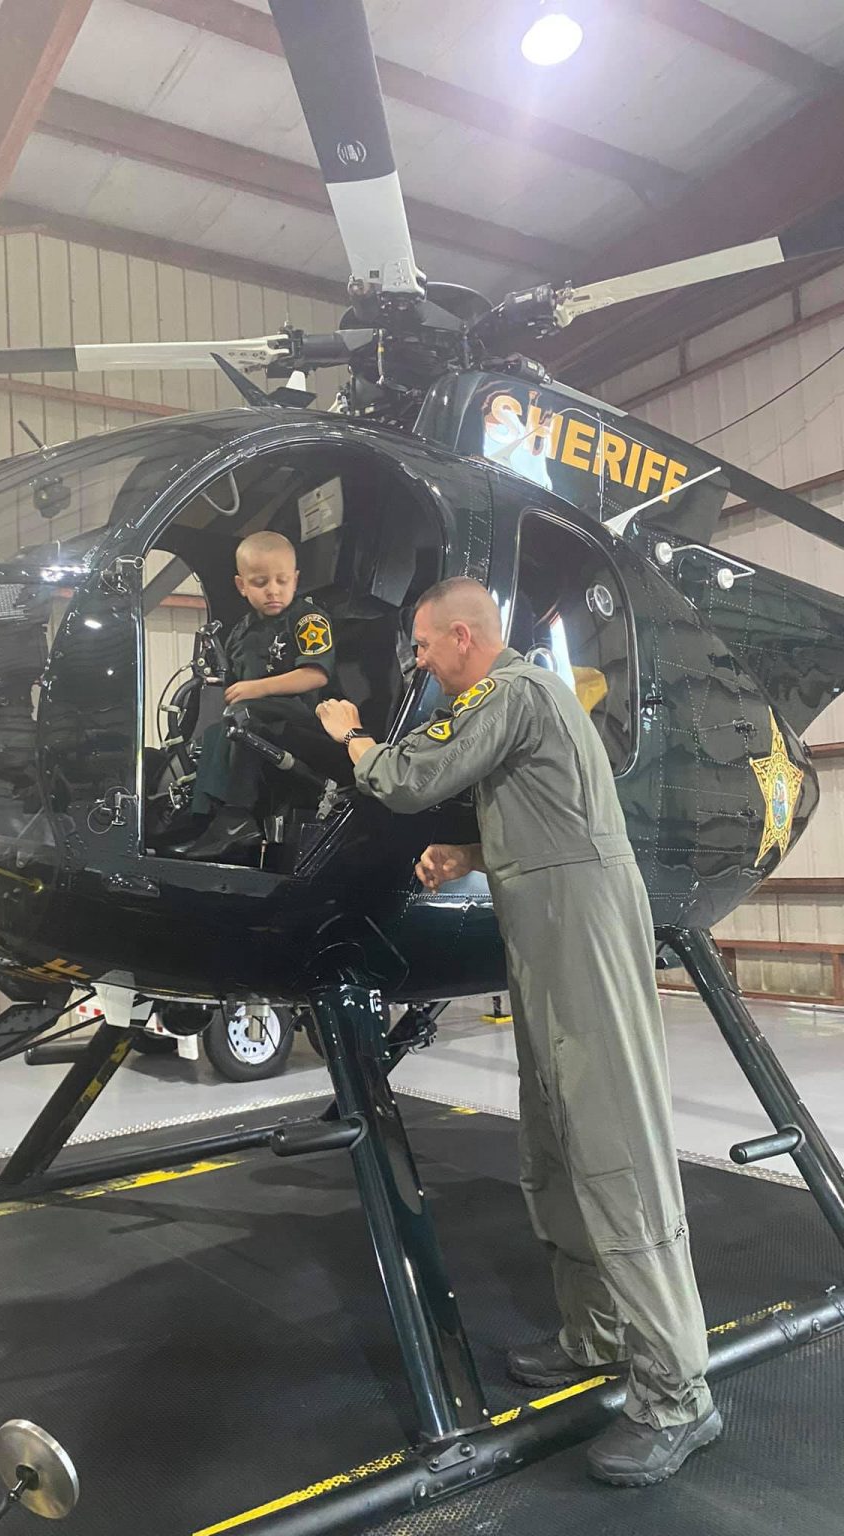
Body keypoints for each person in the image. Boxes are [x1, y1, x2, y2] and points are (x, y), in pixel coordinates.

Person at [314, 576, 721, 1488]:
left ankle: (678, 1395)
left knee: (615, 1151)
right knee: (557, 1142)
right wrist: (472, 850)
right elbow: (544, 810)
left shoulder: (509, 690)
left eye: (425, 646)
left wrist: (351, 734)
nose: (421, 663)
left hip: (580, 937)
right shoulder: (530, 702)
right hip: (544, 940)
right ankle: (597, 1337)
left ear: (464, 637)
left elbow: (407, 778)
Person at [168, 531, 336, 861]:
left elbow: (315, 674)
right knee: (215, 732)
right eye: (260, 582)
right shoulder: (240, 632)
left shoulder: (307, 620)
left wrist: (257, 689)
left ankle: (236, 817)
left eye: (282, 581)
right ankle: (204, 818)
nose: (273, 590)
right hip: (254, 717)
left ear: (295, 579)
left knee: (243, 716)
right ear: (242, 585)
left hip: (303, 720)